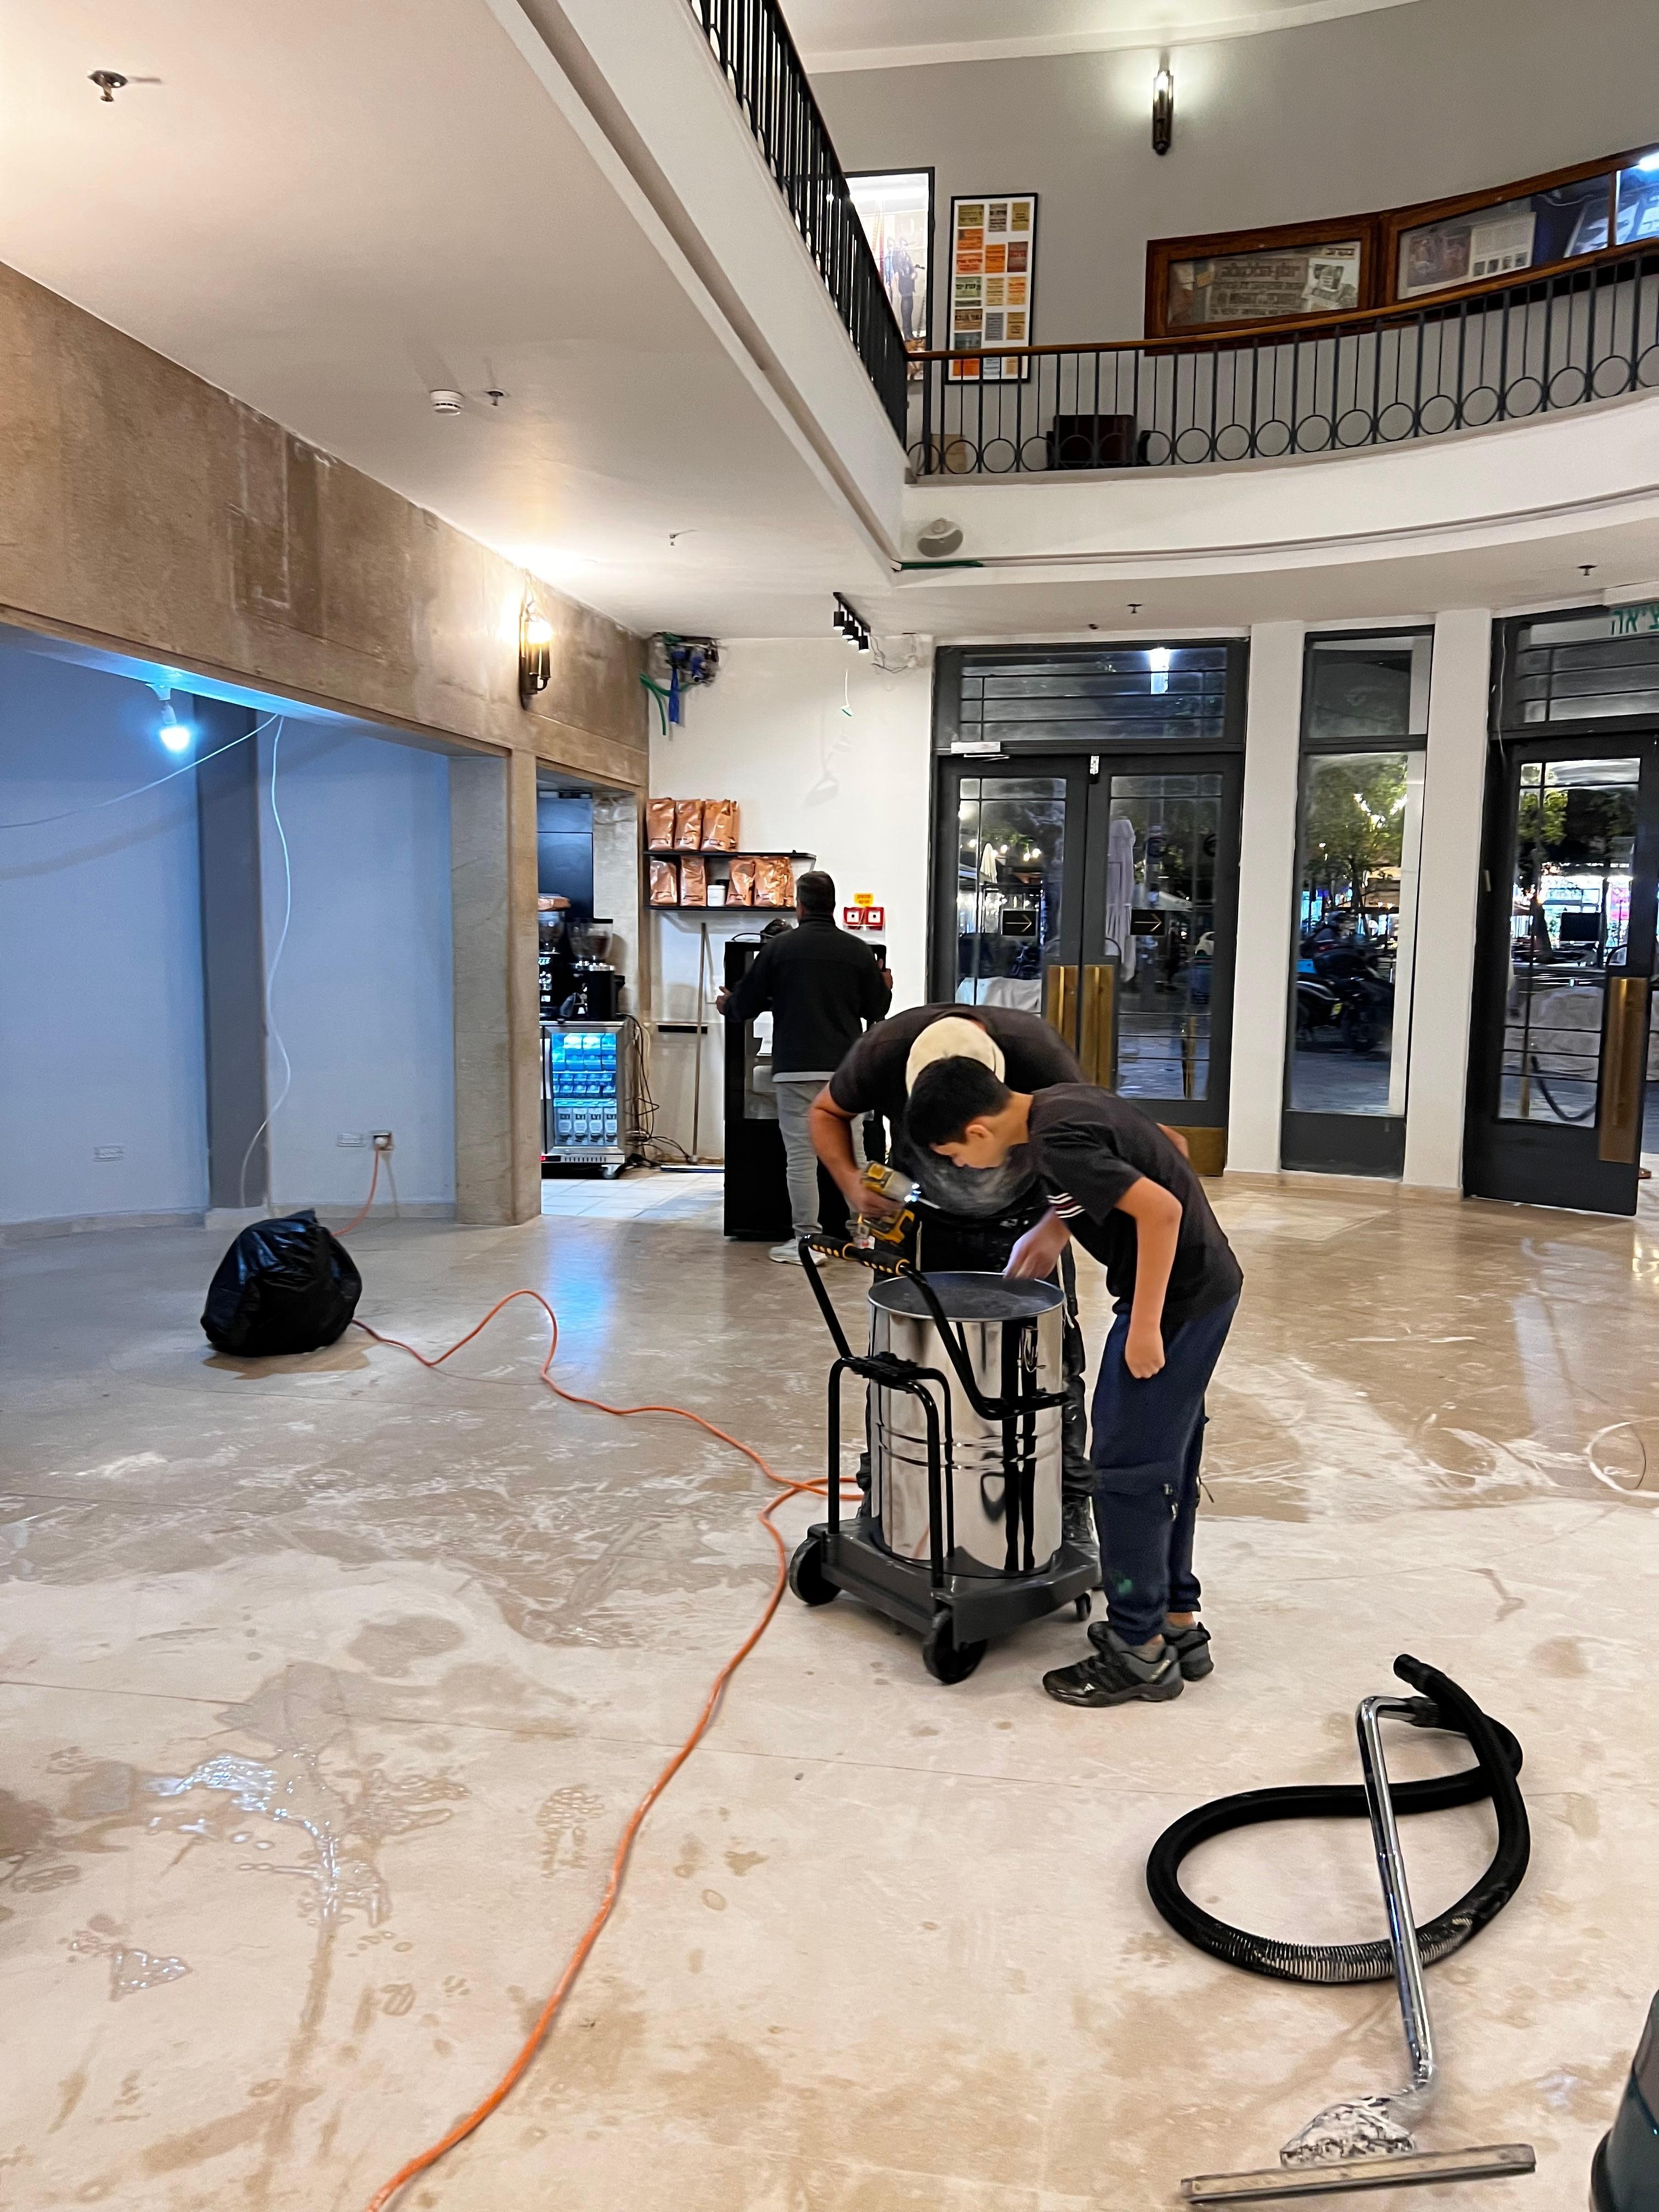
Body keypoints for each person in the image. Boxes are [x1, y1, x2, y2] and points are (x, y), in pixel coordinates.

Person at [905, 1055, 1242, 1711]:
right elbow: (1153, 1151)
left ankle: (1138, 1650)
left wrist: (1145, 1324)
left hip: (1173, 1304)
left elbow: (1162, 1211)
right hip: (1206, 1289)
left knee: (1126, 1469)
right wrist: (1054, 1226)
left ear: (978, 1131)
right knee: (1168, 1457)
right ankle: (1177, 1619)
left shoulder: (1054, 1143)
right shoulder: (1059, 1104)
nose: (965, 1169)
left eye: (955, 1156)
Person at [808, 1005, 1098, 1568]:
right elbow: (826, 1111)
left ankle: (1067, 1506)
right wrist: (850, 1182)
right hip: (919, 1220)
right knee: (898, 1362)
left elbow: (1091, 1144)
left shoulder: (1034, 1050)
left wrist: (1056, 1230)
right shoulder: (884, 1051)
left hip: (1025, 1221)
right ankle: (886, 1493)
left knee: (1050, 1365)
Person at [718, 871, 890, 1263]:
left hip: (795, 1067)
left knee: (801, 1156)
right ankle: (862, 1238)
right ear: (833, 903)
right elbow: (877, 1009)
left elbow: (745, 1005)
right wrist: (887, 985)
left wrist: (727, 1003)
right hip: (847, 1072)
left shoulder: (780, 949)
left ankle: (808, 1244)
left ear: (800, 904)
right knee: (857, 1155)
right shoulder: (857, 950)